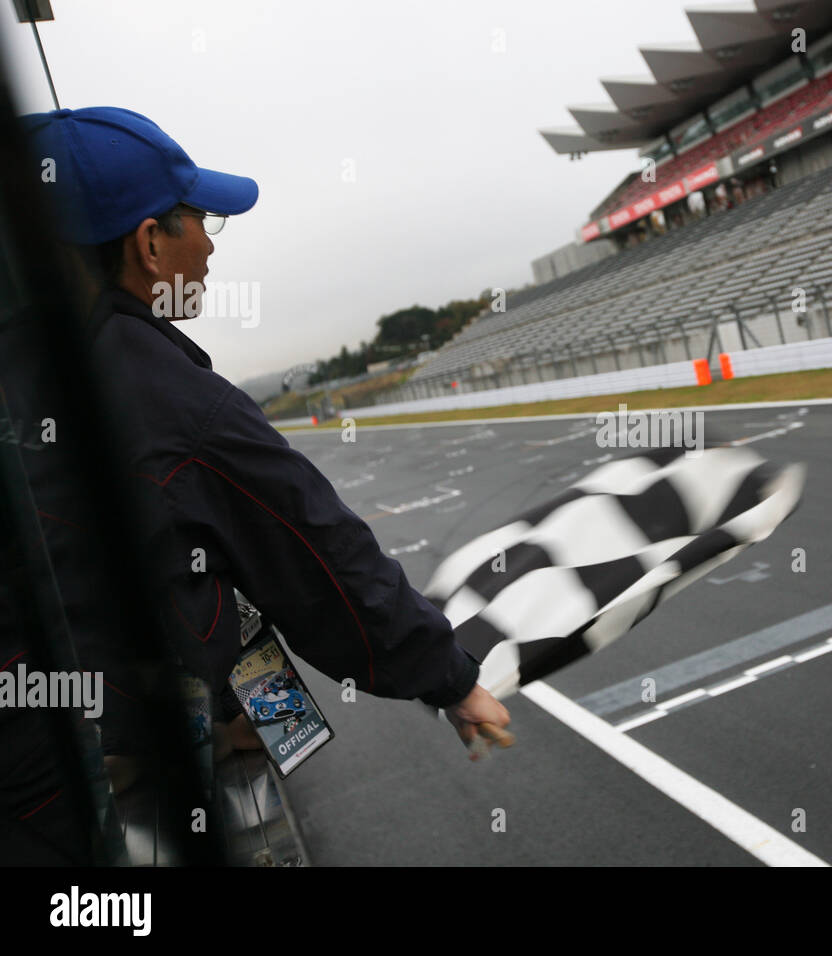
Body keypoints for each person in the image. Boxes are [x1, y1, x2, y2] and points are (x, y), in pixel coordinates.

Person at [15, 107, 509, 787]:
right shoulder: (170, 399)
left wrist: (226, 702)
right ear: (150, 243)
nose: (213, 247)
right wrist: (451, 680)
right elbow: (321, 560)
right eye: (201, 219)